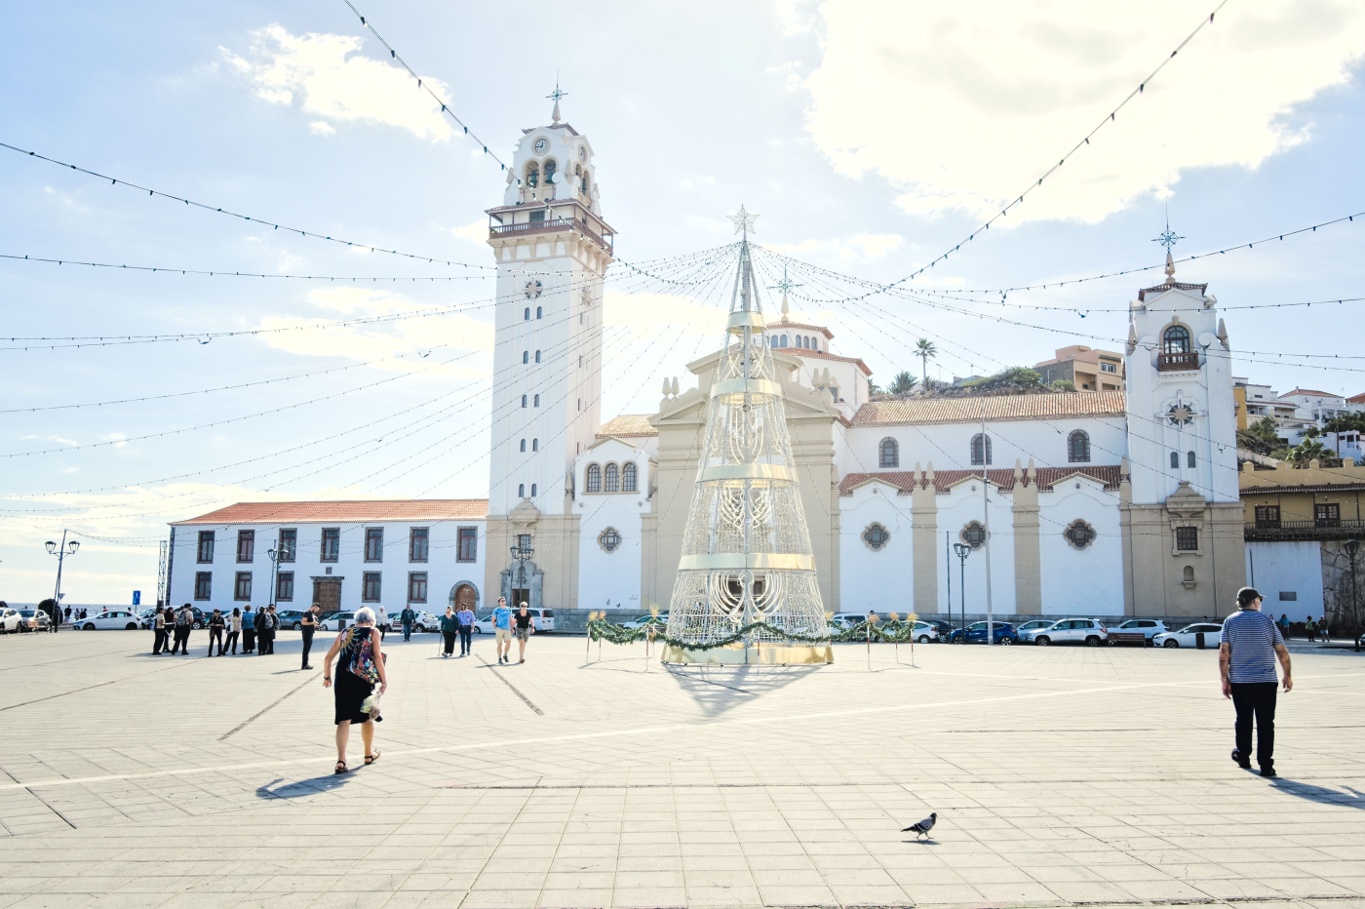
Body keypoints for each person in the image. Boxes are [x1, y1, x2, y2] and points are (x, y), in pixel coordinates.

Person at [1220, 587, 1293, 778]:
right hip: (1266, 682)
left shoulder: (1229, 622)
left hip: (1241, 681)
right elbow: (1282, 652)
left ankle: (1243, 756)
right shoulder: (1268, 622)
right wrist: (1287, 675)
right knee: (1266, 723)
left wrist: (1224, 680)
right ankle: (1266, 765)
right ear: (1256, 602)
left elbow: (1224, 654)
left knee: (1243, 720)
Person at [322, 606, 388, 774]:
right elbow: (377, 657)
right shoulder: (374, 632)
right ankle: (367, 754)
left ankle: (341, 761)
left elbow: (328, 658)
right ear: (371, 620)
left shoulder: (345, 632)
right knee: (367, 717)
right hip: (363, 679)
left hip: (343, 678)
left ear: (356, 620)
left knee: (344, 719)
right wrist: (384, 680)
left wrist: (327, 678)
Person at [493, 596, 513, 664]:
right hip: (499, 628)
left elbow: (510, 619)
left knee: (509, 642)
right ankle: (499, 658)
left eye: (504, 600)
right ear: (499, 602)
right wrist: (495, 627)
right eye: (502, 601)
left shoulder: (509, 609)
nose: (504, 602)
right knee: (500, 644)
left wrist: (512, 628)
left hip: (507, 629)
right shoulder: (496, 610)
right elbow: (493, 620)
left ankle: (505, 655)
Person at [301, 603, 320, 670]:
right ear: (314, 607)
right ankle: (304, 664)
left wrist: (316, 626)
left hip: (310, 633)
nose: (317, 611)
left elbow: (309, 623)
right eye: (317, 609)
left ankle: (305, 663)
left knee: (307, 649)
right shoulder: (307, 613)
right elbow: (303, 622)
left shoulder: (311, 614)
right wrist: (313, 623)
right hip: (306, 633)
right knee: (306, 649)